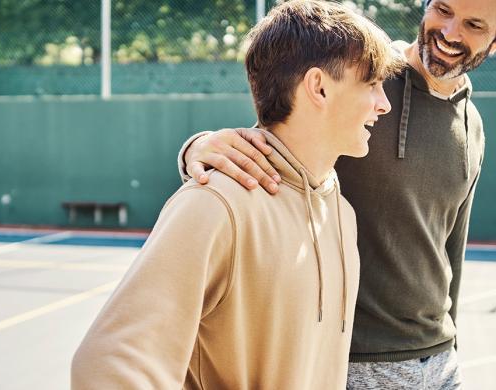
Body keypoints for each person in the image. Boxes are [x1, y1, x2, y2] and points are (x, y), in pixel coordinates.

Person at [174, 0, 496, 388]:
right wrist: (197, 147)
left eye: (474, 25)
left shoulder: (472, 124)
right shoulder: (366, 76)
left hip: (440, 361)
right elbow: (276, 139)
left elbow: (451, 246)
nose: (451, 32)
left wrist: (452, 341)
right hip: (353, 363)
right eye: (442, 10)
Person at [70, 1, 404, 388]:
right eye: (371, 84)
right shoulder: (215, 205)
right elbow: (107, 365)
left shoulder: (341, 214)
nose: (384, 104)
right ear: (319, 87)